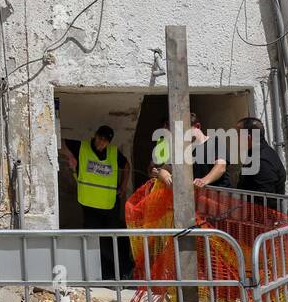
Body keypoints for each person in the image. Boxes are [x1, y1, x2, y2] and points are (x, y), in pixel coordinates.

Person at [60, 125, 133, 279]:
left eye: (105, 141)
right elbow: (60, 142)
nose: (101, 143)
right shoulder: (82, 146)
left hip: (109, 205)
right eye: (100, 138)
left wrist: (124, 186)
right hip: (89, 204)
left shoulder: (113, 152)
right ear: (95, 135)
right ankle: (98, 273)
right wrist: (70, 157)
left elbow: (126, 165)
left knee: (112, 240)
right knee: (94, 240)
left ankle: (121, 272)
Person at [150, 112, 230, 190]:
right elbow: (165, 168)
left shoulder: (215, 142)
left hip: (219, 198)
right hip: (196, 199)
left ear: (197, 127)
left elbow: (221, 167)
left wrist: (204, 181)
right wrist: (166, 177)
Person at [235, 117, 287, 209]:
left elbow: (265, 199)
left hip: (262, 218)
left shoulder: (263, 160)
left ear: (248, 138)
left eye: (238, 134)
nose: (236, 138)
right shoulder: (254, 153)